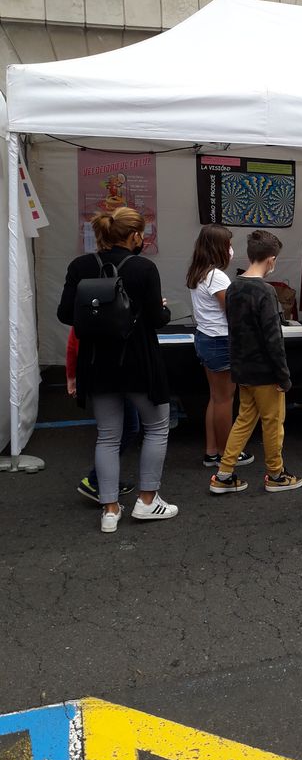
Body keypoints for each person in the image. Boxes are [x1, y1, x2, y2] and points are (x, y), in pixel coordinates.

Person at [57, 207, 177, 533]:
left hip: (96, 361)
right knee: (156, 427)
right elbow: (156, 319)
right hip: (138, 359)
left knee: (107, 435)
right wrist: (162, 308)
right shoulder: (143, 268)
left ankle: (110, 509)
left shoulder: (80, 266)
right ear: (134, 235)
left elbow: (66, 314)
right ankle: (148, 501)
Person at [209, 230, 302, 495]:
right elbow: (273, 339)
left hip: (242, 368)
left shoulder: (234, 286)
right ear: (271, 260)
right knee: (273, 423)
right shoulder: (266, 292)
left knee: (244, 420)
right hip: (265, 372)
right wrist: (283, 376)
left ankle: (224, 473)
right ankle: (276, 474)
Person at [186, 223, 253, 469]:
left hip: (206, 338)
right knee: (226, 399)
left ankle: (212, 451)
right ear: (218, 248)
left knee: (215, 398)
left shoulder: (199, 271)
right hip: (221, 341)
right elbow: (233, 312)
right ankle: (227, 453)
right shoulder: (217, 276)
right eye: (229, 244)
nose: (231, 249)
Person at [67, 328, 138, 502]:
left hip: (98, 375)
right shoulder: (116, 308)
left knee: (116, 432)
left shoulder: (86, 307)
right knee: (117, 433)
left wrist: (72, 375)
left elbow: (72, 341)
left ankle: (103, 483)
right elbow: (73, 340)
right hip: (110, 375)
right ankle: (97, 482)